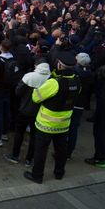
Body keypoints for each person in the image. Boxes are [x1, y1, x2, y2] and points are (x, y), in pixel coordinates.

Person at [24, 52, 80, 184]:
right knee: (61, 149)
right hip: (64, 123)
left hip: (46, 124)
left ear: (60, 65)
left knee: (41, 150)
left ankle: (37, 175)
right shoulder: (77, 80)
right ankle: (59, 173)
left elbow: (36, 97)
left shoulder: (54, 83)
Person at [5, 62, 50, 165]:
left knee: (19, 133)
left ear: (36, 66)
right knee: (34, 136)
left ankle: (15, 156)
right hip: (39, 112)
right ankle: (29, 159)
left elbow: (18, 92)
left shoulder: (29, 77)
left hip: (24, 109)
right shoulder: (50, 79)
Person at [67, 53, 94, 159]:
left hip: (71, 103)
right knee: (74, 129)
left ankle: (64, 150)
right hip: (80, 104)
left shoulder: (74, 72)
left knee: (66, 129)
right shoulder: (90, 73)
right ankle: (69, 151)